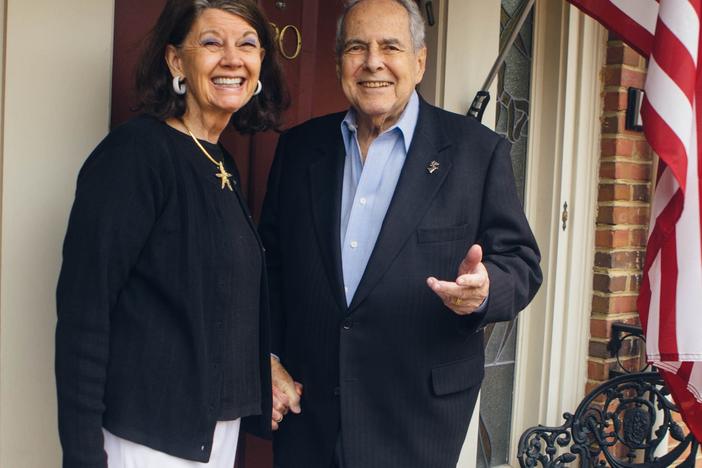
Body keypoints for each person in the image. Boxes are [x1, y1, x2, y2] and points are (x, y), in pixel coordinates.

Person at [258, 0, 542, 467]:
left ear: (420, 62)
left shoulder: (476, 153)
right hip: (309, 415)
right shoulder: (299, 149)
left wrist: (486, 290)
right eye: (357, 47)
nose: (373, 62)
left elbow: (522, 262)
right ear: (338, 64)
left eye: (390, 46)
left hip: (416, 421)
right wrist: (266, 357)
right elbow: (270, 267)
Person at [55, 1, 287, 467]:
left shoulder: (219, 162)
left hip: (214, 436)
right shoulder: (135, 155)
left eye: (247, 44)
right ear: (176, 60)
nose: (232, 58)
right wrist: (82, 455)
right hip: (147, 438)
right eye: (211, 42)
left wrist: (264, 367)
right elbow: (85, 311)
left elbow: (212, 304)